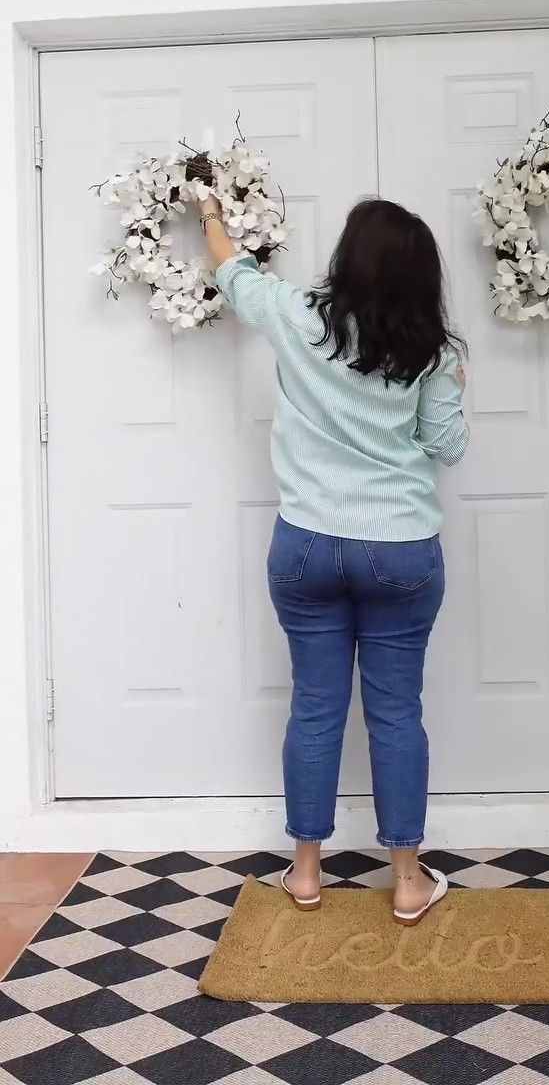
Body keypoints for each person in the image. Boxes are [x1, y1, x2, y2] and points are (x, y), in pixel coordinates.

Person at [198, 193, 469, 925]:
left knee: (315, 708)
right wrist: (456, 393)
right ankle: (408, 880)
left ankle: (305, 873)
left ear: (347, 258)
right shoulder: (433, 352)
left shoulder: (296, 317)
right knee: (395, 712)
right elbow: (447, 447)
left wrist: (210, 217)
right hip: (400, 551)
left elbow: (232, 272)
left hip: (307, 545)